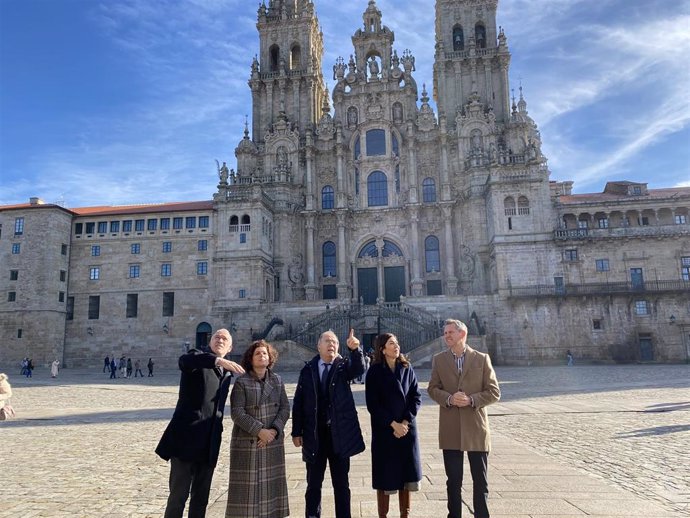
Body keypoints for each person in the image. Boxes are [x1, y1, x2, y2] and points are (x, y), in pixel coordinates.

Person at [156, 329, 244, 518]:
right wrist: (217, 360)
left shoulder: (226, 373)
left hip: (209, 442)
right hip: (185, 441)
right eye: (216, 337)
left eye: (224, 339)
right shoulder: (196, 358)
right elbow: (185, 361)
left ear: (230, 347)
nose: (220, 340)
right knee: (178, 496)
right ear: (210, 342)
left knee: (201, 498)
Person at [428, 319, 501, 518]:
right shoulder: (439, 360)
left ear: (462, 334)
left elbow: (494, 392)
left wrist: (471, 400)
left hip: (476, 426)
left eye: (450, 332)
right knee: (453, 481)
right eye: (445, 333)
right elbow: (432, 389)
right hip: (450, 427)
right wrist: (450, 398)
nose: (446, 336)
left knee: (480, 480)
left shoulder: (481, 358)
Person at [291, 329, 365, 518]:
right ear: (319, 346)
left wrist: (355, 351)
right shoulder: (307, 370)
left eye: (335, 342)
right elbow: (299, 401)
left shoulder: (343, 367)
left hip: (339, 435)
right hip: (314, 435)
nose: (331, 344)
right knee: (313, 483)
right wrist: (296, 431)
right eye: (327, 341)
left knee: (341, 484)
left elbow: (359, 369)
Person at [225, 340, 290, 518]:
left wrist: (273, 431)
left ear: (270, 358)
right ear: (250, 359)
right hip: (249, 441)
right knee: (247, 492)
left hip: (271, 442)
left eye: (265, 353)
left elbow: (285, 408)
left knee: (271, 488)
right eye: (257, 353)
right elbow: (237, 413)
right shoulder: (241, 382)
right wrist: (259, 430)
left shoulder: (277, 381)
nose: (262, 356)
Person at [365, 333, 422, 518]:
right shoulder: (374, 372)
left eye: (397, 342)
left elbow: (416, 397)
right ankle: (384, 514)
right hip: (385, 432)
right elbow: (373, 404)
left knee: (406, 477)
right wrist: (392, 424)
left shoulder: (406, 367)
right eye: (391, 343)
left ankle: (405, 514)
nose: (396, 346)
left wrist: (405, 422)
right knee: (385, 476)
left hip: (406, 430)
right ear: (382, 348)